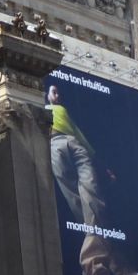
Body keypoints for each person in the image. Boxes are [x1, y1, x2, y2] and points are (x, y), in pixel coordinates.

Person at [45, 83, 104, 225]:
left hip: (74, 142)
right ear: (46, 95)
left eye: (58, 93)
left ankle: (97, 224)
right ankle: (85, 225)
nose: (57, 95)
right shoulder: (42, 109)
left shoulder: (63, 111)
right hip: (54, 142)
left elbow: (79, 134)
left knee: (89, 182)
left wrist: (100, 163)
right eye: (54, 92)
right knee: (68, 186)